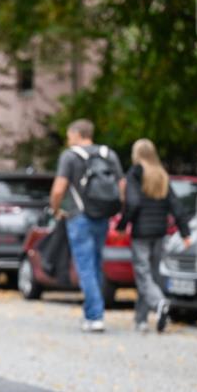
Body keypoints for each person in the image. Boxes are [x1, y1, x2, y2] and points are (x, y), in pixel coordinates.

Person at [49, 119, 125, 332]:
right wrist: (118, 210)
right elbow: (122, 186)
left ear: (76, 133)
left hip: (79, 217)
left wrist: (55, 209)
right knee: (96, 263)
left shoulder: (70, 156)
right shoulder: (108, 154)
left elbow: (58, 189)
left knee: (85, 267)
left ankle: (95, 315)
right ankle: (91, 311)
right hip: (102, 215)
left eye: (68, 135)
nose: (67, 140)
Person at [117, 139, 192, 332]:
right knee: (150, 276)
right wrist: (185, 233)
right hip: (159, 233)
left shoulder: (135, 173)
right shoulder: (161, 175)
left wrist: (123, 225)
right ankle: (141, 320)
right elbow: (176, 206)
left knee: (143, 276)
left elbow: (132, 203)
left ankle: (159, 303)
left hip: (141, 233)